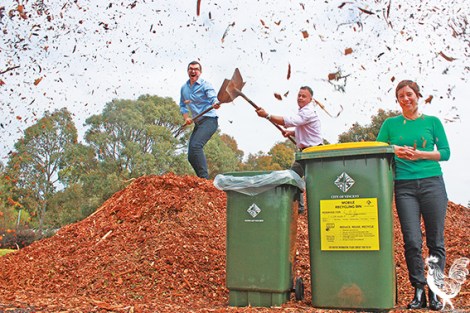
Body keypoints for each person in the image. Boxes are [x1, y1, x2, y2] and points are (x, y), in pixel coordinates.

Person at [377, 80, 450, 311]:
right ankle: (418, 289)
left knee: (435, 242)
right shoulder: (390, 124)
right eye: (401, 96)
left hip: (432, 184)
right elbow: (378, 148)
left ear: (418, 96)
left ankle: (434, 292)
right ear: (397, 101)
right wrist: (396, 150)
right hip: (404, 186)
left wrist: (420, 154)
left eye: (409, 94)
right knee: (412, 241)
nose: (405, 99)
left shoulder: (433, 122)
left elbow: (445, 153)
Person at [255, 86, 323, 212]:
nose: (300, 98)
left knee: (299, 179)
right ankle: (299, 208)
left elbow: (291, 121)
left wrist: (267, 115)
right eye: (299, 95)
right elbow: (304, 129)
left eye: (304, 96)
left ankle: (308, 208)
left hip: (313, 152)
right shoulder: (303, 111)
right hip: (305, 153)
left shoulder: (308, 111)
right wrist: (291, 133)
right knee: (294, 178)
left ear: (310, 99)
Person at [179, 61, 219, 179]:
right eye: (190, 69)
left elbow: (213, 98)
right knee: (191, 156)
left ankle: (204, 181)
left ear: (200, 72)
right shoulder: (184, 88)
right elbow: (182, 105)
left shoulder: (206, 85)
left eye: (196, 69)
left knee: (196, 146)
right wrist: (186, 118)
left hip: (209, 121)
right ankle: (201, 180)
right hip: (198, 123)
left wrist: (215, 103)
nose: (193, 71)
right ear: (188, 71)